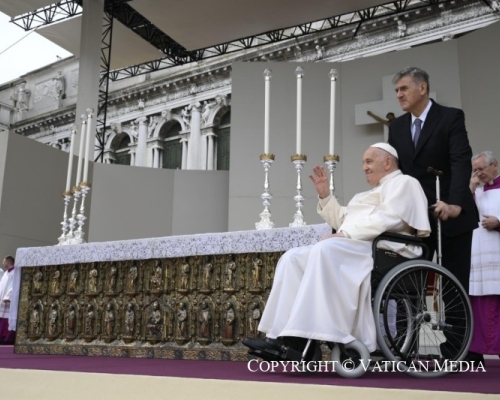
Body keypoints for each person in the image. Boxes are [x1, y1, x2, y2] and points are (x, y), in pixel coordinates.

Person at [244, 143, 430, 359]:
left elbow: (390, 219)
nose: (364, 167)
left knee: (326, 248)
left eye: (369, 161)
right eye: (363, 162)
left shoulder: (406, 183)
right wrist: (325, 197)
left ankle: (301, 341)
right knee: (292, 258)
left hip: (386, 252)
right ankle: (280, 337)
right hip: (359, 248)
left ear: (388, 162)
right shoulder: (368, 194)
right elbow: (344, 220)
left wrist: (346, 235)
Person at [387, 67, 479, 361]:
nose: (399, 95)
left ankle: (456, 348)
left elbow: (461, 160)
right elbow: (396, 172)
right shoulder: (397, 127)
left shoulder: (450, 117)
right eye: (397, 90)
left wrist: (455, 203)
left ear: (422, 88)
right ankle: (405, 343)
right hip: (414, 219)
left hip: (450, 213)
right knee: (407, 280)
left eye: (403, 89)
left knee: (453, 281)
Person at [468, 151, 500, 357]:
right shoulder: (476, 192)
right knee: (480, 301)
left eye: (482, 168)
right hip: (480, 255)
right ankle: (478, 348)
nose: (479, 173)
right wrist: (470, 188)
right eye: (475, 170)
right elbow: (465, 216)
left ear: (495, 165)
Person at [0, 256, 15, 344]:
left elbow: (13, 286)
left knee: (6, 320)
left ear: (8, 262)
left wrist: (7, 297)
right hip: (1, 301)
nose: (2, 263)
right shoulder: (6, 273)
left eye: (3, 261)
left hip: (8, 302)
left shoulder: (14, 273)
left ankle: (6, 339)